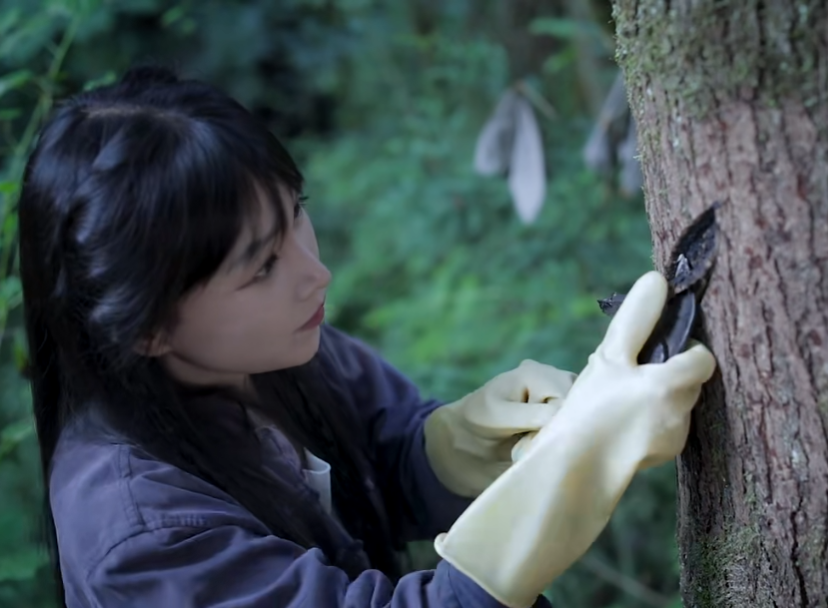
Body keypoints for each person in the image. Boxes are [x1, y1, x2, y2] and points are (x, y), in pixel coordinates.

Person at [17, 65, 717, 608]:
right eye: (261, 265)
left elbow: (379, 466)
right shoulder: (143, 538)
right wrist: (577, 463)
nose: (314, 274)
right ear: (147, 328)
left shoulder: (273, 346)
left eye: (298, 213)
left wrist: (453, 447)